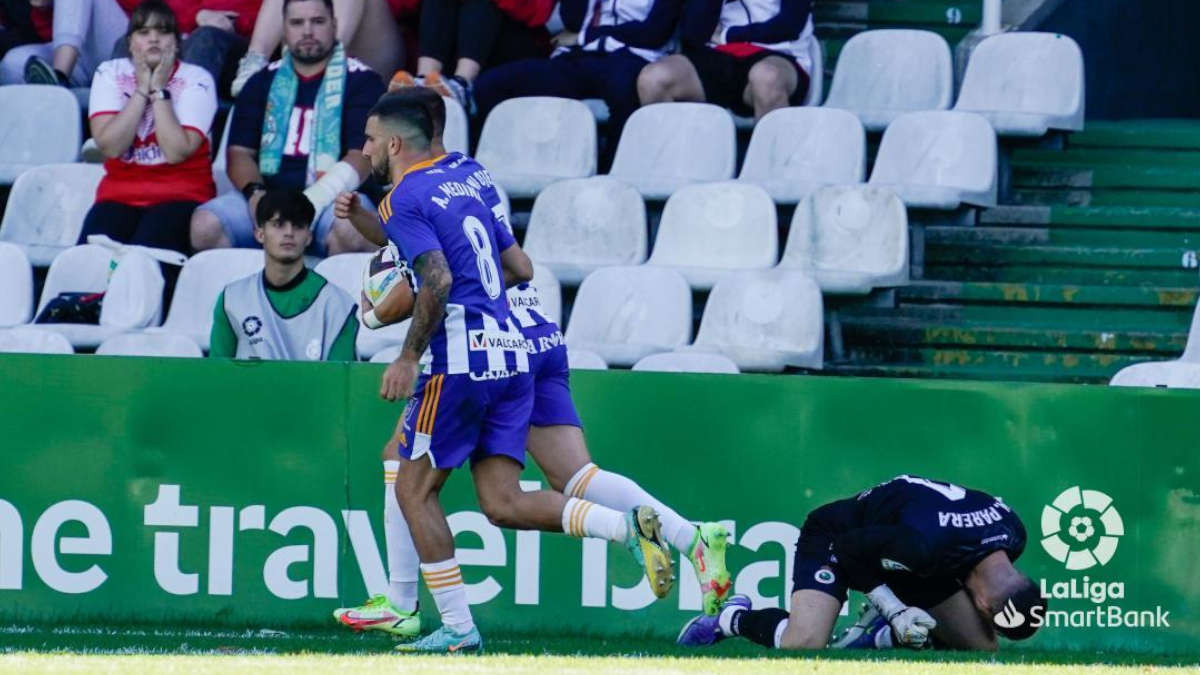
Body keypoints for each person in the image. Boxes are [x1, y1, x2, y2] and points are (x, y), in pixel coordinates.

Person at [329, 88, 732, 641]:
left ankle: (411, 606)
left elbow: (432, 278)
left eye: (372, 139)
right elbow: (509, 262)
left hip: (476, 346)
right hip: (525, 337)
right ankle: (685, 536)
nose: (365, 149)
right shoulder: (472, 175)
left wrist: (381, 324)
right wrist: (374, 230)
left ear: (403, 137)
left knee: (412, 477)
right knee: (543, 484)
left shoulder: (413, 193)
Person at [677, 475, 1047, 652]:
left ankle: (879, 638)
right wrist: (895, 610)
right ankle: (732, 617)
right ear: (983, 604)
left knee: (983, 650)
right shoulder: (925, 544)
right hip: (840, 536)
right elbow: (850, 549)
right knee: (803, 644)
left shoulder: (1013, 532)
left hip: (920, 554)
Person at [189, 0, 385, 257]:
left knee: (351, 233)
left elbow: (362, 156)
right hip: (270, 199)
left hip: (335, 202)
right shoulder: (259, 81)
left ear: (334, 25)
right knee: (205, 227)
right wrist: (257, 197)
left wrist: (313, 201)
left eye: (317, 21)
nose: (307, 31)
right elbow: (239, 153)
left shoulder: (364, 81)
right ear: (283, 29)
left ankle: (333, 298)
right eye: (296, 23)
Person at [81, 0, 216, 295]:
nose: (154, 38)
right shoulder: (110, 73)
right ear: (130, 43)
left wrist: (160, 90)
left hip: (180, 194)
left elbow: (176, 150)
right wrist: (141, 89)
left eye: (163, 31)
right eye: (143, 31)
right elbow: (110, 145)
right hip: (119, 194)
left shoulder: (197, 79)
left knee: (147, 260)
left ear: (177, 43)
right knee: (88, 265)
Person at [471, 0, 683, 147]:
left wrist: (587, 35)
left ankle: (612, 180)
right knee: (491, 85)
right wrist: (584, 37)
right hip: (579, 55)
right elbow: (572, 18)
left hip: (633, 56)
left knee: (623, 91)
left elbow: (654, 32)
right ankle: (490, 175)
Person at [209, 188, 359, 360]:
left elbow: (340, 382)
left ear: (309, 237)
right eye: (278, 224)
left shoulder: (338, 305)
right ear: (260, 234)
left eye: (298, 226)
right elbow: (217, 375)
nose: (289, 233)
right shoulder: (232, 299)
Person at [636, 0, 815, 120]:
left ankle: (772, 171)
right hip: (721, 55)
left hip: (780, 54)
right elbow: (695, 33)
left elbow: (789, 26)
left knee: (766, 77)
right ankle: (674, 170)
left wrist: (729, 35)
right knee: (654, 78)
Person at [387, 0, 553, 111]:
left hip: (506, 43)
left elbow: (537, 12)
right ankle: (423, 81)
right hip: (443, 44)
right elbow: (399, 6)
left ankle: (462, 85)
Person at [230, 0, 402, 97]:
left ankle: (324, 64)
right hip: (296, 48)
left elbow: (409, 7)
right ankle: (254, 63)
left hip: (371, 51)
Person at [1, 0, 128, 86]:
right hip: (79, 56)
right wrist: (45, 8)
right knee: (13, 64)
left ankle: (59, 80)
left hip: (127, 49)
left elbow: (144, 14)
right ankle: (57, 84)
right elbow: (49, 36)